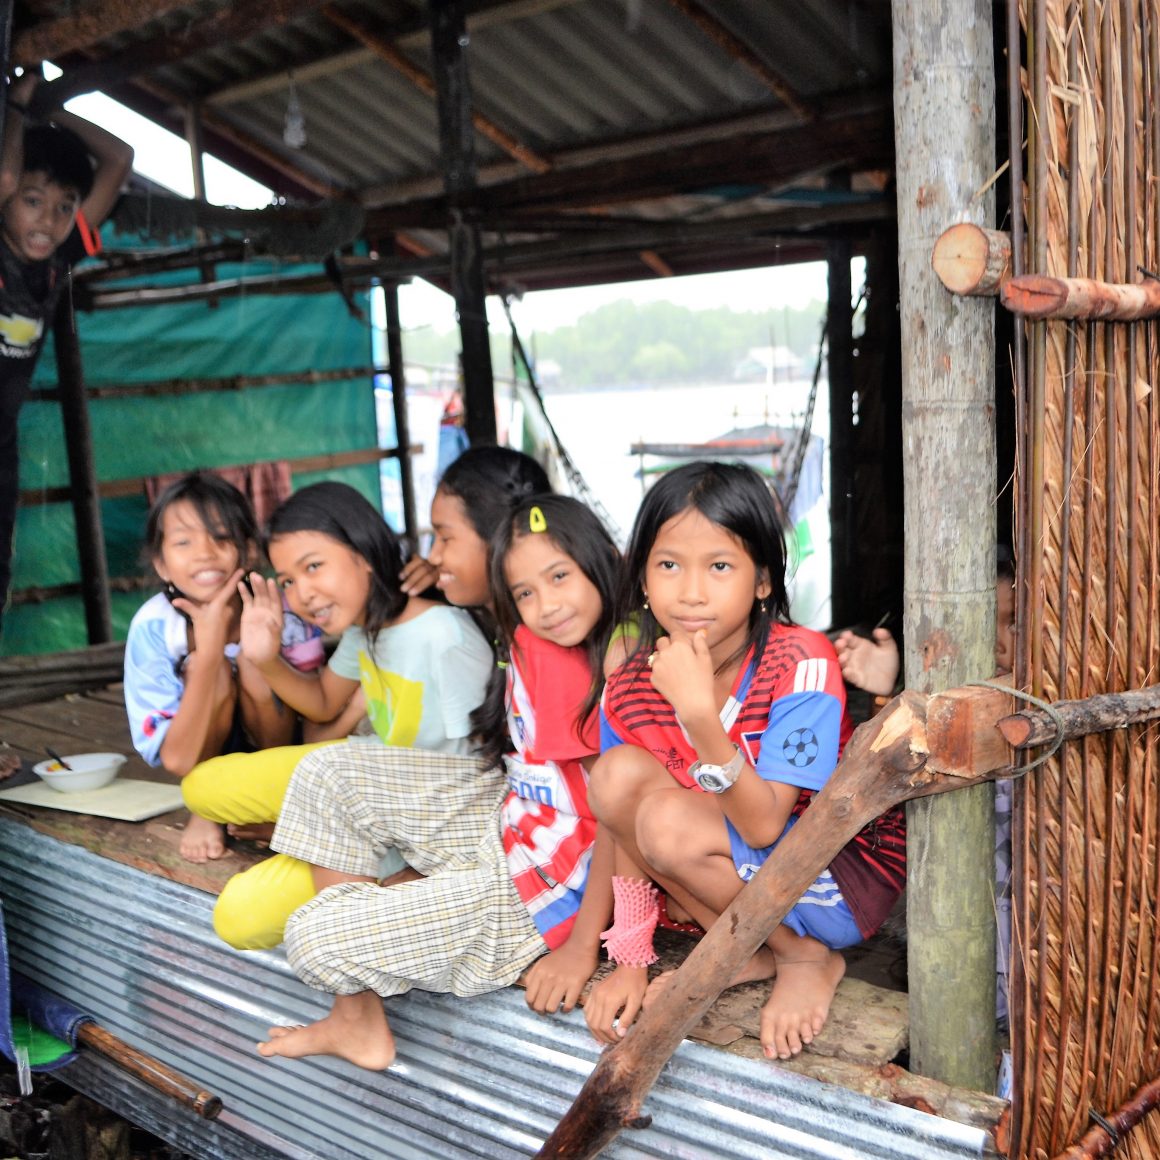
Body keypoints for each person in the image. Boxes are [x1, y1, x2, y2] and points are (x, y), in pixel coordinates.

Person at [254, 493, 619, 1070]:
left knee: (313, 936)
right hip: (507, 818)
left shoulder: (616, 669)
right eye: (524, 591)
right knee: (323, 771)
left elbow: (621, 825)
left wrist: (583, 948)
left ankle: (383, 948)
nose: (545, 604)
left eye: (559, 577)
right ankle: (359, 1013)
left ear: (601, 562)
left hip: (546, 888)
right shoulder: (530, 639)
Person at [584, 461, 906, 1062]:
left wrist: (700, 714)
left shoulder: (800, 661)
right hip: (738, 877)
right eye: (669, 564)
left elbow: (763, 825)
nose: (692, 591)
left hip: (835, 871)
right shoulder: (629, 687)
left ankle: (804, 956)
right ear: (645, 579)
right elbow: (621, 822)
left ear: (762, 580)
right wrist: (628, 956)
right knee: (616, 777)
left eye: (720, 566)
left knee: (668, 824)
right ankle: (748, 949)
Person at [190, 480, 495, 950]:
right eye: (288, 580)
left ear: (364, 551)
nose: (303, 593)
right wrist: (267, 658)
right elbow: (324, 703)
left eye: (313, 566)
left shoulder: (444, 636)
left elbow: (478, 773)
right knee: (202, 788)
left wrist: (407, 865)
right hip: (360, 787)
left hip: (419, 818)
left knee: (241, 918)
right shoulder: (363, 631)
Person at [833, 559, 1017, 1024]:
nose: (997, 641)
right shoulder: (942, 710)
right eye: (984, 622)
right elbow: (887, 789)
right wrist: (882, 696)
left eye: (1013, 622)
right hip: (955, 939)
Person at [123, 472, 325, 863]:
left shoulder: (282, 609)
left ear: (248, 550)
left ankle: (269, 799)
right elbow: (177, 759)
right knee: (206, 667)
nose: (205, 553)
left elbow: (318, 710)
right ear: (161, 565)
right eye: (184, 542)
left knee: (253, 659)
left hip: (277, 753)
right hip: (198, 759)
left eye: (221, 537)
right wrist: (212, 648)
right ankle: (207, 806)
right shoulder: (153, 628)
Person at [0, 72, 134, 636]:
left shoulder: (61, 255)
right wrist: (16, 107)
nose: (48, 221)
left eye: (63, 207)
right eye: (33, 202)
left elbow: (120, 157)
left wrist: (54, 110)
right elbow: (6, 171)